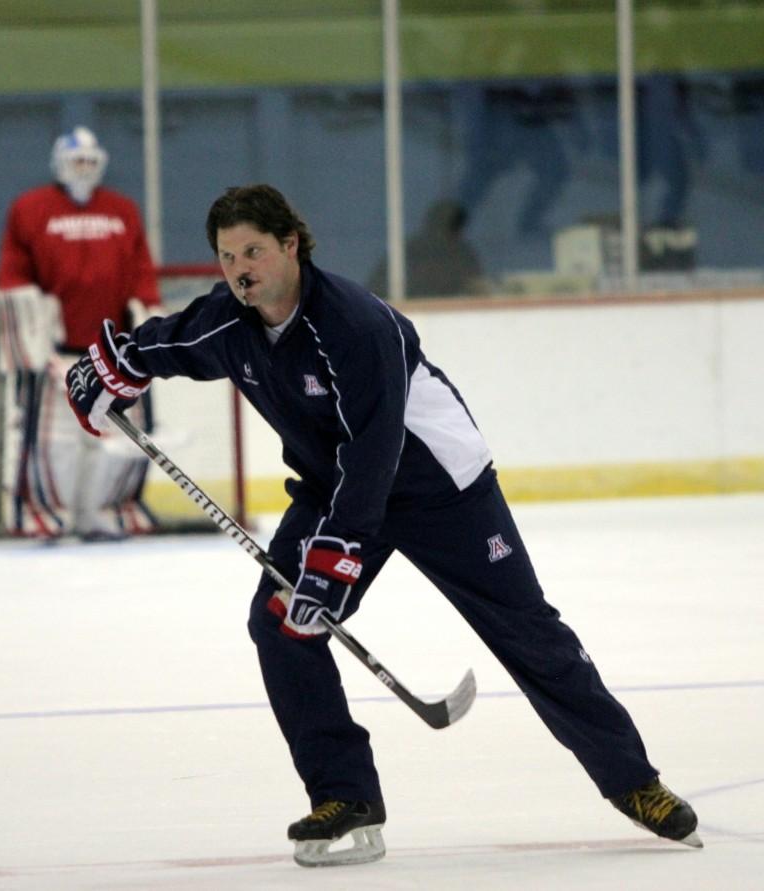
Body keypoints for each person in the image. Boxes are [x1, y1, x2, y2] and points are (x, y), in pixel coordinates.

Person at [64, 184, 701, 866]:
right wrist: (113, 365)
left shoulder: (355, 325)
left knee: (526, 629)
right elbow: (174, 341)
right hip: (335, 489)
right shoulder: (233, 320)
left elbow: (376, 451)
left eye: (253, 250)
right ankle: (344, 793)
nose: (239, 268)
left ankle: (636, 782)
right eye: (226, 256)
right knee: (279, 621)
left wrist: (333, 564)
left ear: (291, 245)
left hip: (437, 487)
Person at [0, 125, 162, 541]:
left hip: (114, 352)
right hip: (56, 350)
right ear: (59, 163)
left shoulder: (122, 210)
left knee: (116, 439)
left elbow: (141, 268)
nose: (84, 169)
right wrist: (25, 308)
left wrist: (146, 307)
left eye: (91, 161)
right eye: (76, 161)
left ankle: (107, 511)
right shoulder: (31, 208)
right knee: (55, 440)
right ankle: (49, 513)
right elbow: (14, 271)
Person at [368, 199, 487, 298]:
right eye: (446, 225)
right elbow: (376, 289)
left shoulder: (463, 254)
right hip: (413, 311)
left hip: (456, 316)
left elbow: (477, 288)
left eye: (455, 228)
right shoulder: (412, 250)